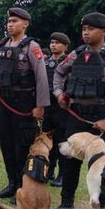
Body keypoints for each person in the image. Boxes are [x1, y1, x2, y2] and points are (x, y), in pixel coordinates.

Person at [53, 12, 105, 209]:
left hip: (104, 117)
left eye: (91, 29)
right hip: (77, 114)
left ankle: (103, 203)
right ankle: (66, 202)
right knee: (69, 160)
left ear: (104, 31)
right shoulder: (76, 53)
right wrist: (59, 94)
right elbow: (58, 72)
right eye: (84, 29)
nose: (86, 32)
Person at [0, 8, 50, 202]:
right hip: (4, 101)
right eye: (8, 21)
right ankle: (11, 183)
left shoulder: (32, 46)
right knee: (6, 144)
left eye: (14, 21)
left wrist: (40, 106)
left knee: (21, 146)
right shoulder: (3, 45)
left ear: (25, 24)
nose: (10, 24)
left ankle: (22, 187)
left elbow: (41, 78)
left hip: (24, 103)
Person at [42, 32, 70, 187]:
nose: (53, 45)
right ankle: (49, 170)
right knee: (47, 140)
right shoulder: (45, 61)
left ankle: (62, 175)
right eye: (52, 42)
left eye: (57, 43)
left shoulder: (69, 61)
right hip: (47, 106)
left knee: (61, 141)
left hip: (62, 107)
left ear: (65, 46)